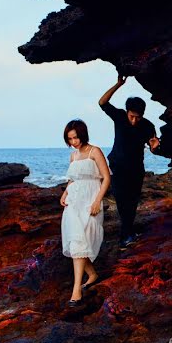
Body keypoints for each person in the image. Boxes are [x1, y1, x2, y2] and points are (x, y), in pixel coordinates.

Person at [99, 74, 162, 248]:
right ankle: (125, 235)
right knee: (121, 199)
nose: (134, 121)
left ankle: (127, 234)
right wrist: (118, 84)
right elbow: (102, 103)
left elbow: (153, 149)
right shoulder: (119, 116)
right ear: (127, 112)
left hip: (136, 168)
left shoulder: (148, 126)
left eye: (138, 117)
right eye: (132, 116)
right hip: (118, 165)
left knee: (132, 201)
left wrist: (156, 146)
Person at [60, 119, 111, 306]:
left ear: (83, 134)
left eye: (75, 137)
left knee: (84, 239)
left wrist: (98, 201)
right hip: (74, 201)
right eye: (70, 139)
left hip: (90, 200)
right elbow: (73, 179)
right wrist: (65, 193)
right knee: (76, 242)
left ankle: (85, 280)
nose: (74, 141)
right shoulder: (73, 156)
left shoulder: (94, 151)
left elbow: (106, 178)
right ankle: (81, 284)